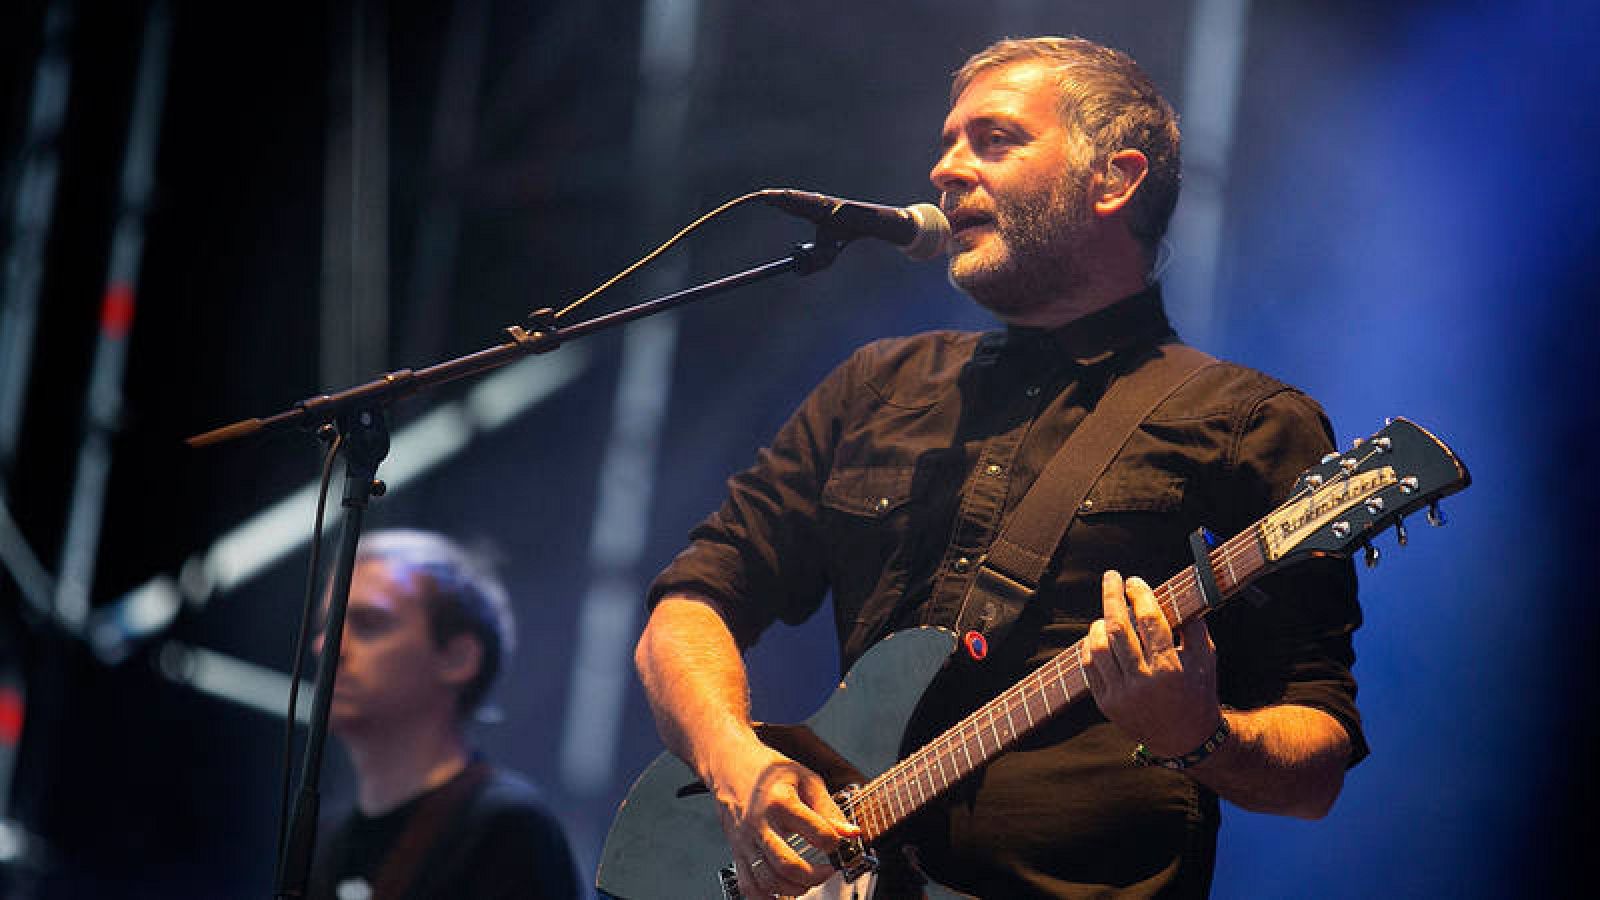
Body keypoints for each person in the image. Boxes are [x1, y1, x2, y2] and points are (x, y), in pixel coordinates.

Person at [633, 36, 1365, 898]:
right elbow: (689, 607)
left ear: (1114, 179)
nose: (945, 170)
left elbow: (1314, 762)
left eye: (994, 140)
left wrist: (1198, 735)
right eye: (946, 141)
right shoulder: (878, 387)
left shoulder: (1245, 423)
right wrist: (735, 761)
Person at [308, 529, 579, 900]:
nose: (325, 646)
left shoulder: (505, 828)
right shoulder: (325, 839)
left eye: (368, 624)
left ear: (458, 658)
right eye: (327, 626)